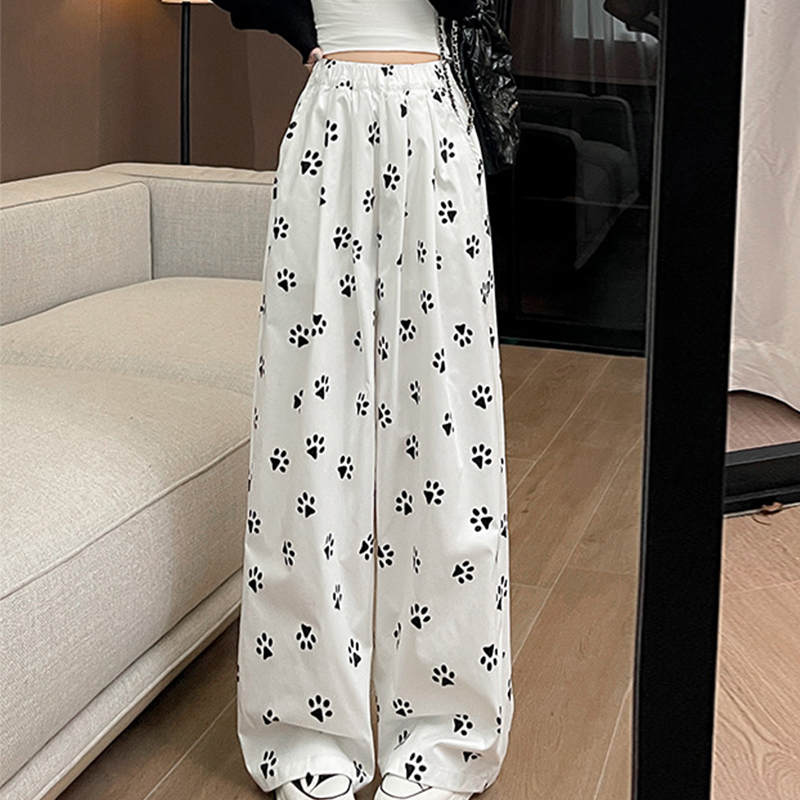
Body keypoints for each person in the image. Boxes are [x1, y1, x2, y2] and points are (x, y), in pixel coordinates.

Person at [210, 2, 514, 799]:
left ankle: (443, 732)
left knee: (445, 441)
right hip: (332, 117)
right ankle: (306, 733)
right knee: (308, 438)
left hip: (433, 118)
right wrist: (303, 28)